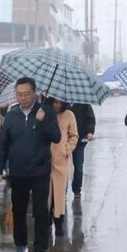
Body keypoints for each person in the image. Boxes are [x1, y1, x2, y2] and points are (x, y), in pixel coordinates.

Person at [0, 77, 61, 252]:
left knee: (41, 212)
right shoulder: (12, 115)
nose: (22, 98)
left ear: (34, 93)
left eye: (26, 94)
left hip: (40, 171)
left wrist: (43, 121)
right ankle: (20, 245)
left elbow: (56, 137)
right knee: (18, 210)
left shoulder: (46, 111)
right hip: (18, 172)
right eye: (19, 94)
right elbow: (4, 143)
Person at [45, 98, 78, 237]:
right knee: (46, 193)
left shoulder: (69, 115)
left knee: (59, 194)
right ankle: (46, 220)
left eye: (60, 102)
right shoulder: (44, 113)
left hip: (61, 160)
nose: (57, 105)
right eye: (55, 102)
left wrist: (67, 149)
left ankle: (59, 222)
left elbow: (74, 136)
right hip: (45, 159)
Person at [69, 103, 95, 197]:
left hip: (79, 140)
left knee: (78, 166)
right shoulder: (62, 103)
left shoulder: (83, 103)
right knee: (63, 168)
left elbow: (91, 118)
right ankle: (63, 190)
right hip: (64, 140)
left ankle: (77, 189)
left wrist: (90, 131)